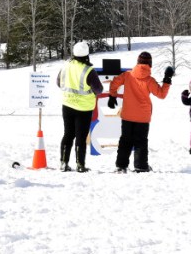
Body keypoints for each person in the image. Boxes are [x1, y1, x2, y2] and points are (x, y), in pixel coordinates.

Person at [106, 51, 171, 173]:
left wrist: (112, 95)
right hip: (143, 117)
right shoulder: (149, 80)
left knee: (125, 140)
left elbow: (115, 82)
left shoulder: (127, 75)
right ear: (150, 64)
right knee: (141, 142)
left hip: (127, 115)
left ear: (138, 62)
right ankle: (141, 166)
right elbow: (161, 94)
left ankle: (121, 166)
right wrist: (167, 80)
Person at [56, 41, 104, 173]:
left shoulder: (66, 66)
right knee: (81, 137)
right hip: (84, 108)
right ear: (87, 54)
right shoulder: (89, 70)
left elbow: (58, 82)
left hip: (67, 105)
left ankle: (63, 163)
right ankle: (80, 165)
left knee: (68, 134)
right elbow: (99, 89)